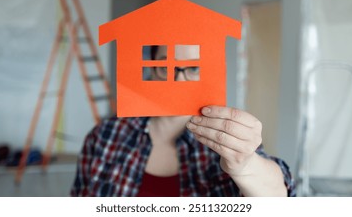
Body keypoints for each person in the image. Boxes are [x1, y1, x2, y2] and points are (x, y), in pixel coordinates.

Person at [70, 45, 295, 197]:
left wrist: (245, 165)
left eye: (193, 67)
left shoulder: (224, 138)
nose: (178, 80)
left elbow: (278, 195)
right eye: (165, 65)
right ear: (151, 67)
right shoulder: (104, 136)